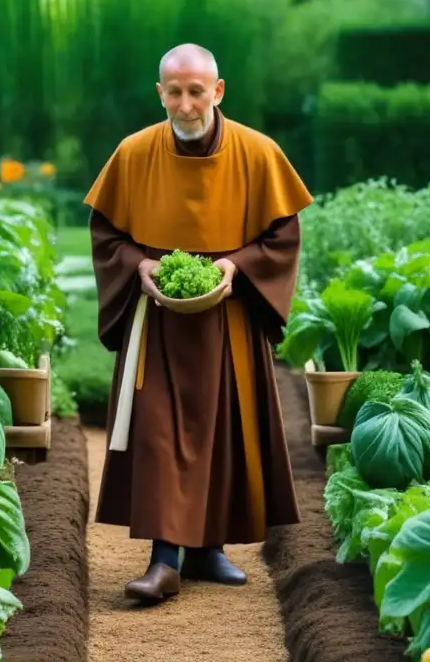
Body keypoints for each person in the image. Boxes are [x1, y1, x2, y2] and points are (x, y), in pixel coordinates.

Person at [83, 43, 315, 604]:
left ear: (218, 90)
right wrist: (140, 265)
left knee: (226, 431)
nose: (186, 104)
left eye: (196, 90)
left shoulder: (259, 154)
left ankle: (210, 550)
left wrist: (236, 265)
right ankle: (164, 560)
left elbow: (282, 238)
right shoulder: (133, 154)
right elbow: (107, 235)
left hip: (229, 317)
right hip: (158, 319)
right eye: (175, 91)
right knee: (160, 430)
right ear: (159, 93)